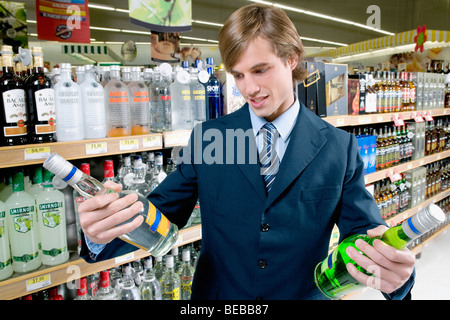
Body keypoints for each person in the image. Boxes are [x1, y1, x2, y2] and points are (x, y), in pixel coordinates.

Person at [78, 3, 415, 300]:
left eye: (259, 70)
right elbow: (162, 214)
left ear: (291, 58)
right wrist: (104, 230)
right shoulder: (211, 138)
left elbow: (363, 235)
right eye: (237, 74)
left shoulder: (337, 146)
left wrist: (394, 274)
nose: (248, 88)